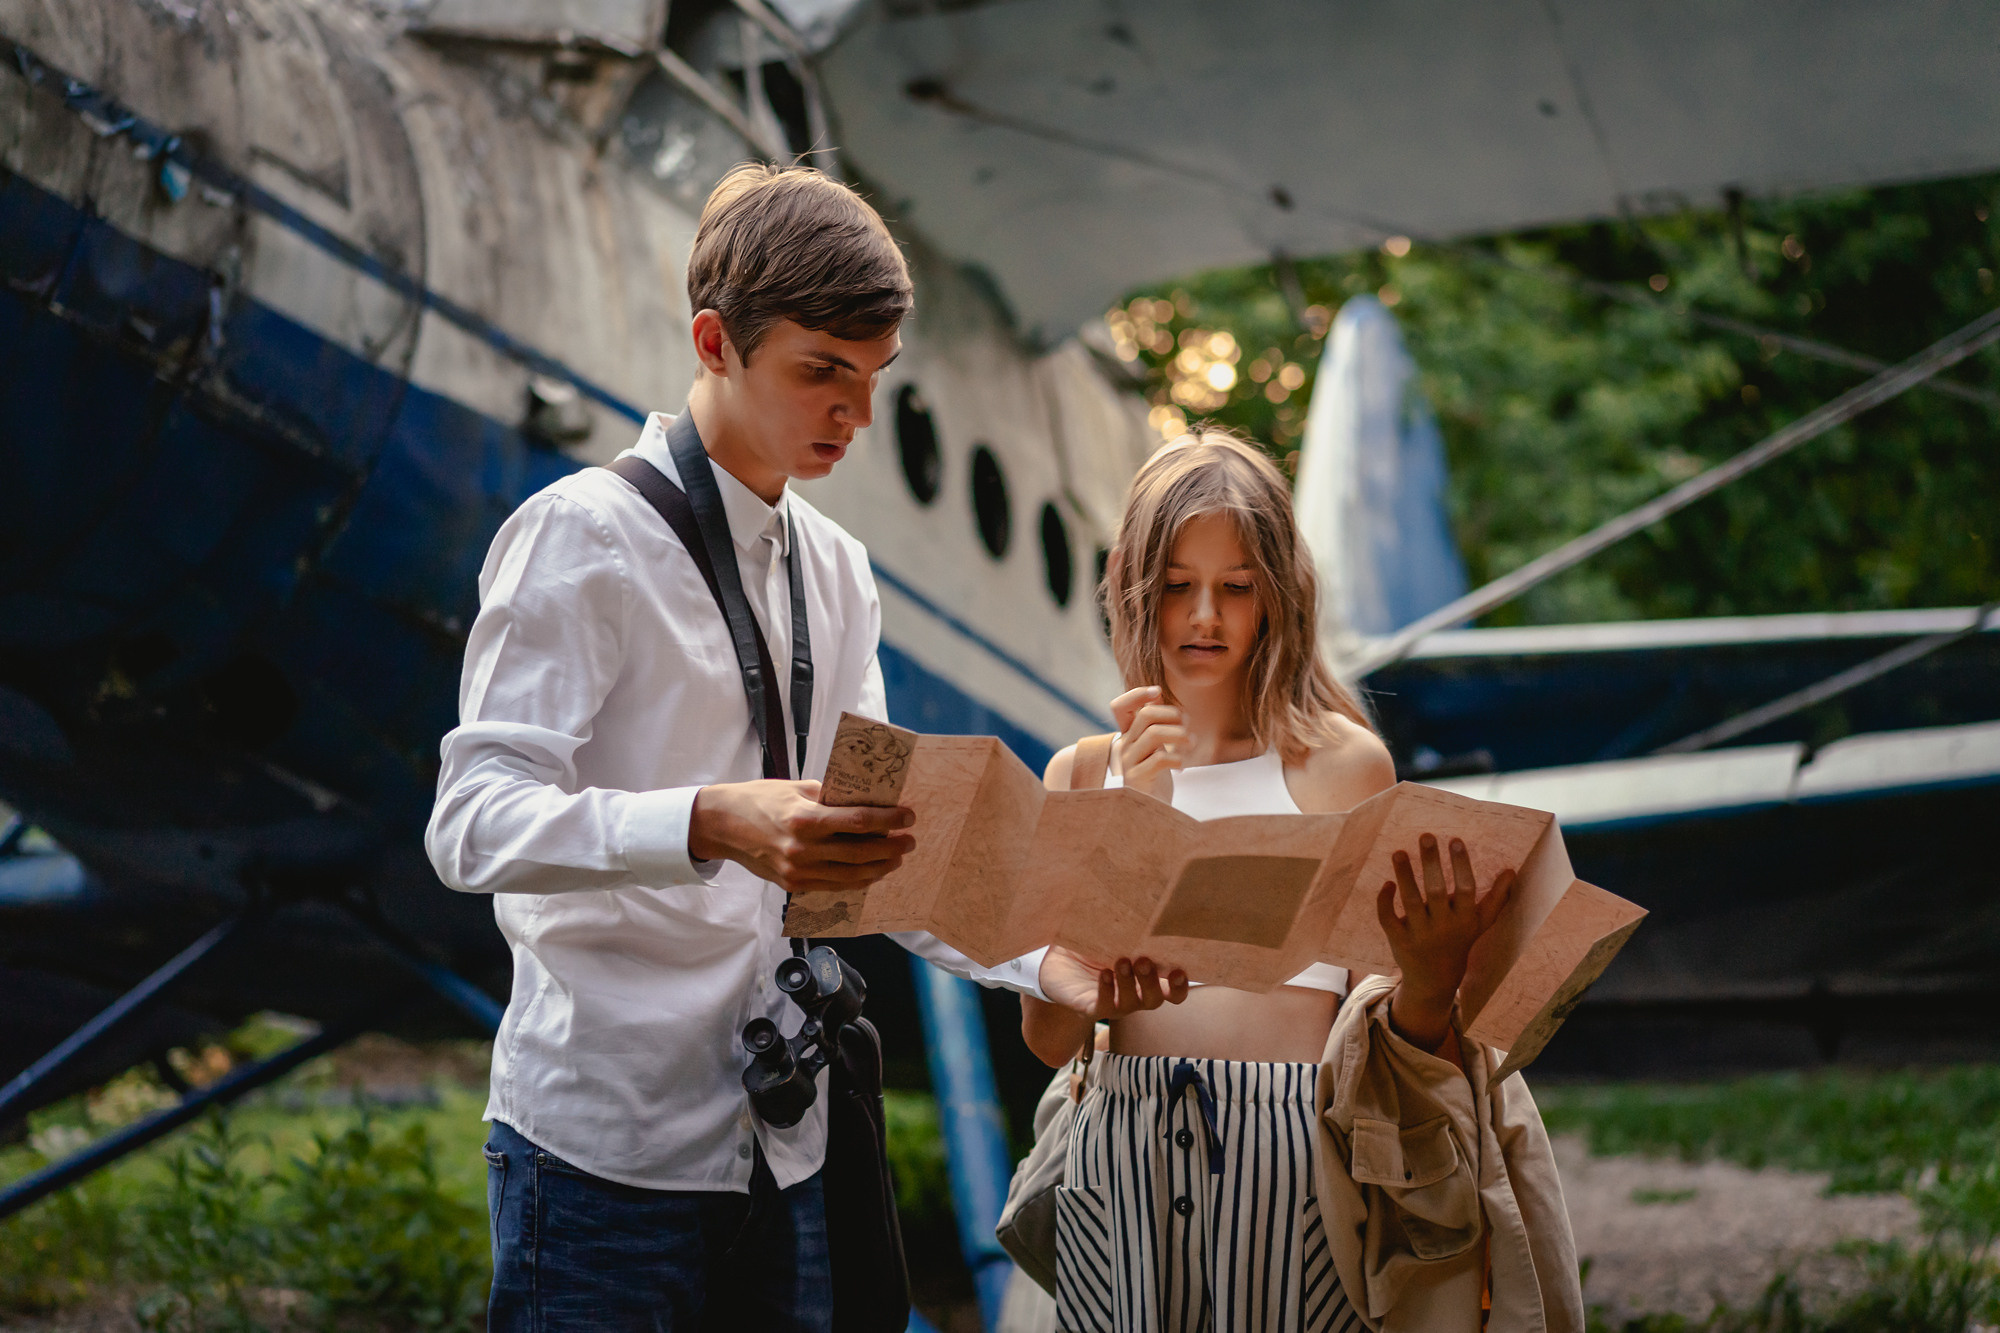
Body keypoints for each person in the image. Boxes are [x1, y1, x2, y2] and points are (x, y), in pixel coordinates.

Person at [424, 164, 1174, 1332]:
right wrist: (710, 820)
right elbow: (468, 822)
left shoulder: (839, 572)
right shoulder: (578, 537)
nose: (852, 416)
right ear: (715, 340)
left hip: (792, 1140)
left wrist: (1043, 963)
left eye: (871, 379)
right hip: (600, 1151)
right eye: (821, 371)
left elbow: (882, 844)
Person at [1019, 428, 1580, 1332]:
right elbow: (1046, 1035)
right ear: (1128, 580)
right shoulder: (1081, 775)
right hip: (1117, 1153)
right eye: (1175, 586)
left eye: (1236, 587)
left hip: (1290, 1151)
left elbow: (1392, 1045)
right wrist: (1129, 829)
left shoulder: (1340, 766)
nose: (1205, 615)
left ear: (1278, 596)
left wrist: (1433, 972)